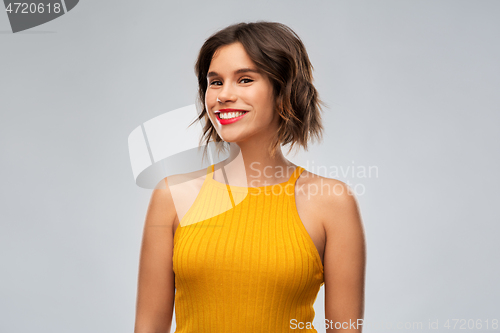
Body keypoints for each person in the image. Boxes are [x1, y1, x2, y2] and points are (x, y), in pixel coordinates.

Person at [134, 21, 366, 333]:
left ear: (283, 89)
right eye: (214, 82)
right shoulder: (172, 195)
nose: (223, 95)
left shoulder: (332, 202)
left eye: (244, 79)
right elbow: (148, 328)